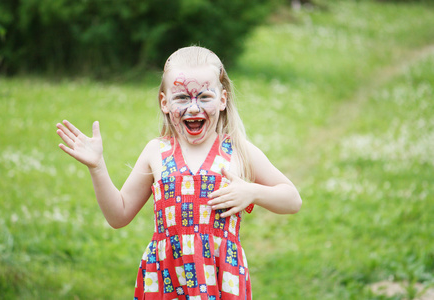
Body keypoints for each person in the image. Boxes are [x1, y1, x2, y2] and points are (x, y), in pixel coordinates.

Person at [56, 46, 302, 299]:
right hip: (166, 278)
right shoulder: (157, 152)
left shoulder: (238, 150)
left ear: (222, 99)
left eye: (204, 96)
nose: (194, 108)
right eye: (182, 98)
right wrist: (97, 167)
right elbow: (118, 216)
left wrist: (252, 192)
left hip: (220, 279)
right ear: (165, 102)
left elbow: (292, 199)